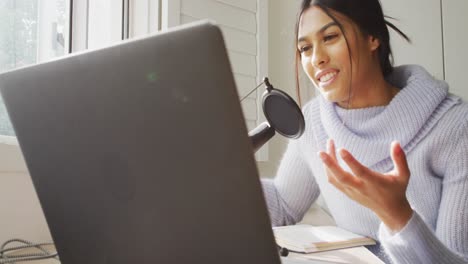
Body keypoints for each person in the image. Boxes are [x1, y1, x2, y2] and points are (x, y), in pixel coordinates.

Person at [261, 0, 468, 263]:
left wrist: (398, 215)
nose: (316, 59)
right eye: (305, 48)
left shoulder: (456, 127)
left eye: (330, 37)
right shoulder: (314, 121)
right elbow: (282, 203)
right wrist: (223, 177)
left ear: (372, 37)